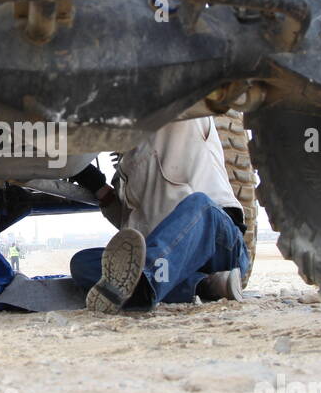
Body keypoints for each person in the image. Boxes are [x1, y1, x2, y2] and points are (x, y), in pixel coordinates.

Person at [70, 117, 249, 312]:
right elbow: (131, 224)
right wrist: (94, 183)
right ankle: (205, 286)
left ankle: (142, 286)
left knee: (200, 205)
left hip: (217, 244)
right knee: (83, 263)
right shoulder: (125, 172)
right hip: (170, 262)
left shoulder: (185, 120)